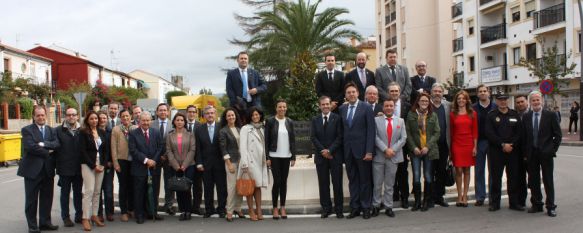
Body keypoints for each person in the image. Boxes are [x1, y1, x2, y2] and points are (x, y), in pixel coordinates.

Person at [18, 106, 60, 233]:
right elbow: (30, 147)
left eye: (42, 115)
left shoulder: (51, 130)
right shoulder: (27, 130)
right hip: (32, 171)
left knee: (47, 198)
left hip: (47, 170)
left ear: (46, 116)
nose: (41, 117)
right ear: (33, 117)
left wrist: (43, 144)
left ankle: (45, 223)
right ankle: (32, 226)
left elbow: (56, 144)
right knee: (31, 200)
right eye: (38, 115)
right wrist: (48, 151)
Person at [522, 91, 562, 217]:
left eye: (537, 100)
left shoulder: (550, 115)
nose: (536, 102)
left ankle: (550, 206)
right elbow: (524, 137)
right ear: (530, 102)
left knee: (548, 180)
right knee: (533, 181)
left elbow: (558, 135)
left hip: (546, 154)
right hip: (531, 154)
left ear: (542, 101)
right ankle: (537, 204)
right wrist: (525, 153)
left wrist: (552, 149)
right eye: (533, 100)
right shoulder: (527, 116)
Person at [340, 82, 375, 219]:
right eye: (348, 92)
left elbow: (371, 131)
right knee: (352, 180)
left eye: (353, 92)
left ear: (358, 93)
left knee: (365, 180)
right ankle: (355, 207)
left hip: (363, 152)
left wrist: (369, 151)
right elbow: (343, 131)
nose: (351, 94)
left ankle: (366, 207)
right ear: (346, 95)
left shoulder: (366, 108)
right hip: (348, 152)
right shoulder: (342, 109)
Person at [485, 94, 523, 211]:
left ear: (507, 101)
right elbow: (489, 133)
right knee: (496, 178)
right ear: (496, 101)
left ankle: (514, 203)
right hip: (497, 151)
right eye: (500, 100)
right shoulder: (491, 115)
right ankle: (495, 203)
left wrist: (512, 145)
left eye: (505, 100)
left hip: (512, 151)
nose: (503, 102)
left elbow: (519, 132)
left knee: (513, 178)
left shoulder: (514, 114)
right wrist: (502, 144)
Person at [372, 98, 407, 218]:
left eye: (391, 106)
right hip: (379, 157)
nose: (389, 108)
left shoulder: (400, 121)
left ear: (394, 107)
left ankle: (388, 206)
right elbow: (375, 137)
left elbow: (403, 138)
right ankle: (376, 206)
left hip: (393, 157)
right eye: (386, 106)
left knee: (390, 184)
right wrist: (385, 149)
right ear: (383, 107)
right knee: (377, 184)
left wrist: (393, 150)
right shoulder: (376, 120)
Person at [310, 96, 344, 218]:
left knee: (337, 184)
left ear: (331, 105)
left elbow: (340, 137)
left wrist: (330, 150)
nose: (325, 106)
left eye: (327, 104)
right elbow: (313, 137)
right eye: (323, 104)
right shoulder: (315, 119)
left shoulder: (337, 118)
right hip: (321, 157)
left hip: (335, 156)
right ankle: (326, 208)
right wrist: (323, 151)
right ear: (319, 106)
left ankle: (339, 209)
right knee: (323, 184)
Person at [406, 93, 440, 212]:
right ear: (418, 101)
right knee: (416, 177)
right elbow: (408, 133)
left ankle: (426, 201)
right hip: (415, 151)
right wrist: (414, 147)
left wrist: (427, 147)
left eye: (426, 101)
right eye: (422, 100)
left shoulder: (433, 115)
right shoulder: (411, 114)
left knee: (428, 176)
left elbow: (437, 133)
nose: (424, 103)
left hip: (428, 151)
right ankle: (417, 202)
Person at [128, 111, 164, 224]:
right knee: (139, 192)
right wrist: (146, 160)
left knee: (154, 191)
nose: (146, 122)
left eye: (148, 120)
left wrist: (153, 160)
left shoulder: (156, 132)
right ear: (139, 121)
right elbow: (133, 150)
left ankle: (152, 212)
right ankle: (139, 214)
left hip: (154, 167)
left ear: (151, 121)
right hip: (139, 168)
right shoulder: (133, 133)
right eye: (143, 120)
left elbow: (160, 147)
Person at [265, 99, 296, 219]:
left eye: (284, 107)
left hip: (286, 156)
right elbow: (266, 140)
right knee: (277, 182)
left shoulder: (289, 122)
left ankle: (282, 206)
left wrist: (293, 157)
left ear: (286, 108)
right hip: (274, 156)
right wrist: (267, 157)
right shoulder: (270, 121)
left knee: (284, 182)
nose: (282, 109)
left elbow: (292, 140)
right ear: (276, 108)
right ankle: (275, 208)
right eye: (280, 107)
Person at [195, 106, 227, 218]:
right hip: (205, 165)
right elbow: (197, 148)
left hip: (220, 164)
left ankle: (221, 209)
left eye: (212, 113)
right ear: (204, 116)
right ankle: (209, 209)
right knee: (208, 189)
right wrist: (199, 163)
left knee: (221, 188)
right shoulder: (199, 129)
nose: (210, 115)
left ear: (215, 114)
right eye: (207, 113)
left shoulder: (222, 127)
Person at [79, 111, 108, 231]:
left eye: (96, 118)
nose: (94, 121)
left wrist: (103, 164)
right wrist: (93, 165)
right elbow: (82, 151)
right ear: (87, 120)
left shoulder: (101, 132)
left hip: (100, 164)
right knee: (89, 191)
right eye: (91, 119)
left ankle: (94, 215)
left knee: (97, 191)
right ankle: (85, 218)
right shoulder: (83, 133)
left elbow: (105, 150)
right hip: (88, 165)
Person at [239, 107, 269, 221]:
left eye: (257, 114)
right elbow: (242, 147)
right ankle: (251, 211)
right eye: (253, 115)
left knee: (258, 187)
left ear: (260, 115)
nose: (255, 117)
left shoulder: (263, 128)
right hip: (250, 162)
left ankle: (259, 210)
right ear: (249, 117)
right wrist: (245, 164)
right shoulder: (245, 128)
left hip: (260, 162)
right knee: (250, 187)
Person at [54, 107, 83, 227]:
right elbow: (55, 148)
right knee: (65, 194)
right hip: (64, 168)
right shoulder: (58, 130)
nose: (71, 117)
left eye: (73, 115)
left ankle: (79, 215)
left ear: (77, 116)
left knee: (78, 193)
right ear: (65, 116)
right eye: (69, 115)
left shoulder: (82, 130)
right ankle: (65, 217)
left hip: (78, 168)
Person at [166, 113, 196, 221]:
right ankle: (182, 211)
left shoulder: (190, 134)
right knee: (178, 189)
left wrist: (184, 165)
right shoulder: (169, 135)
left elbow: (192, 150)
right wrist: (176, 165)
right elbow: (168, 151)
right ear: (174, 122)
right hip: (175, 167)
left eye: (182, 120)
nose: (179, 122)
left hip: (189, 166)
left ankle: (188, 211)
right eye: (177, 120)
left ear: (185, 122)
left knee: (187, 189)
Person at [450, 90, 478, 207]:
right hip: (457, 143)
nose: (461, 100)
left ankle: (465, 196)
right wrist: (450, 149)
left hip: (469, 143)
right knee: (458, 170)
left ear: (467, 100)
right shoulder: (452, 114)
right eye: (459, 99)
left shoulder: (473, 113)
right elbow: (451, 132)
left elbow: (475, 131)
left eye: (463, 98)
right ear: (456, 101)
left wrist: (475, 147)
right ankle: (459, 195)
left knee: (467, 170)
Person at [387, 82, 412, 208]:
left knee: (403, 172)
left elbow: (410, 127)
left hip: (403, 145)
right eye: (391, 91)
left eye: (396, 91)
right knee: (391, 173)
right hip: (389, 147)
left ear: (400, 92)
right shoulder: (384, 107)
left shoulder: (407, 106)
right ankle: (394, 194)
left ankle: (405, 197)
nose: (394, 93)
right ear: (388, 93)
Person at [219, 108, 245, 222]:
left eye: (232, 115)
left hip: (241, 162)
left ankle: (238, 208)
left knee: (240, 186)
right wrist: (228, 164)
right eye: (229, 115)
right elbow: (223, 149)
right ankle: (229, 211)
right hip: (231, 162)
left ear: (235, 116)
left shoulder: (240, 129)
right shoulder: (223, 131)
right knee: (231, 188)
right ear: (226, 117)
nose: (231, 117)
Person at [472, 84, 496, 207]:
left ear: (489, 93)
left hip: (493, 143)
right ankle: (480, 196)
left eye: (484, 91)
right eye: (480, 91)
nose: (482, 93)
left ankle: (492, 196)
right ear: (477, 94)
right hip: (479, 142)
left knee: (493, 171)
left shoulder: (495, 107)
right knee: (479, 170)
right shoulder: (473, 108)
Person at [110, 109, 137, 222]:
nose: (125, 118)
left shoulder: (135, 128)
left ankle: (131, 208)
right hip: (122, 160)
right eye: (123, 116)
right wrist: (115, 163)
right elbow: (113, 147)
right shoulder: (116, 129)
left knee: (132, 186)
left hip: (134, 161)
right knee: (123, 186)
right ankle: (124, 211)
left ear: (131, 116)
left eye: (127, 116)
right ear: (120, 117)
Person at [226, 51, 267, 121]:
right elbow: (229, 90)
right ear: (237, 60)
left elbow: (264, 86)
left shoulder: (255, 73)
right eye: (241, 58)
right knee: (240, 127)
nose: (243, 60)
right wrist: (236, 102)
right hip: (238, 106)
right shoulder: (231, 74)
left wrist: (257, 90)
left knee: (256, 126)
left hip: (254, 105)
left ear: (248, 60)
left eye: (245, 58)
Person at [430, 83, 451, 207]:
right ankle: (431, 197)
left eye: (439, 91)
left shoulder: (447, 106)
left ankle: (440, 196)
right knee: (430, 171)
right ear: (431, 92)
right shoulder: (427, 105)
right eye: (435, 91)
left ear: (443, 93)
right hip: (431, 145)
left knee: (441, 171)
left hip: (444, 144)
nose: (437, 93)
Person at [152, 103, 176, 215]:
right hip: (155, 158)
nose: (162, 112)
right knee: (155, 183)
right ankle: (154, 205)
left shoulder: (173, 124)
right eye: (160, 110)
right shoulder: (151, 124)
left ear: (168, 112)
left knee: (169, 183)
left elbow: (174, 143)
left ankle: (169, 205)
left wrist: (166, 155)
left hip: (169, 158)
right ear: (157, 112)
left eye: (164, 110)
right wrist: (157, 156)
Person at [185, 105, 204, 215]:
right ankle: (187, 207)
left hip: (197, 161)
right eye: (190, 112)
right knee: (186, 185)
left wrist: (200, 161)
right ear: (187, 113)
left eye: (193, 112)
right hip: (185, 161)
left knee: (197, 186)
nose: (191, 114)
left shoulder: (200, 126)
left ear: (196, 113)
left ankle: (196, 207)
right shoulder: (182, 125)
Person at [96, 111, 113, 222]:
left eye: (104, 118)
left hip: (108, 165)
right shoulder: (94, 132)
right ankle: (99, 213)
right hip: (98, 165)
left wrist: (111, 161)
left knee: (108, 190)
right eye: (100, 118)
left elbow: (112, 148)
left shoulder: (110, 131)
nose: (102, 120)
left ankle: (109, 212)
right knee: (98, 190)